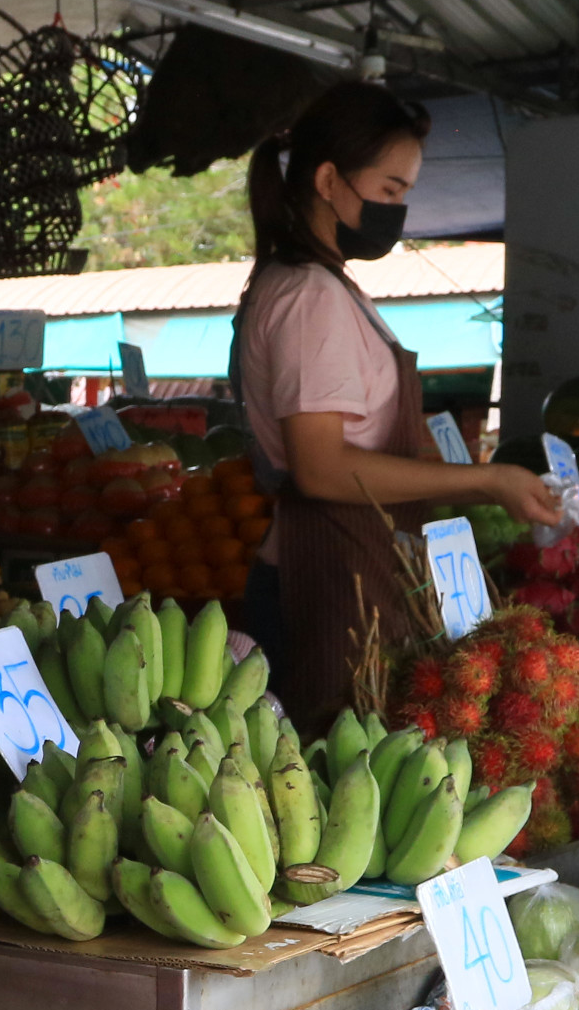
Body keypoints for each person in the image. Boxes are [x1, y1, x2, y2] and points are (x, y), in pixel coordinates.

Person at [234, 82, 560, 724]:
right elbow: (321, 466)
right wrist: (486, 479)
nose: (398, 208)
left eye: (405, 192)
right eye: (388, 190)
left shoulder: (323, 286)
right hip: (322, 576)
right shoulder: (309, 298)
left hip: (344, 561)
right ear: (328, 180)